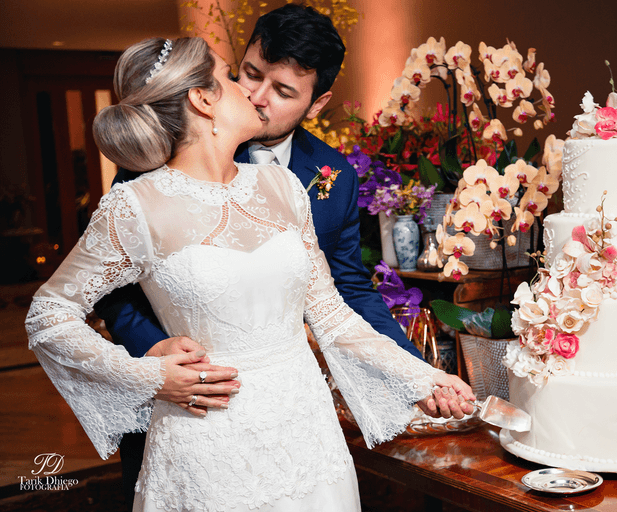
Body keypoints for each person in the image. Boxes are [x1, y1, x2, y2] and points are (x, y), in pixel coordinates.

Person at [26, 35, 475, 511]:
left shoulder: (283, 186)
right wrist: (147, 375)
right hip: (209, 445)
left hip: (309, 440)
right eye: (231, 76)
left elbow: (331, 315)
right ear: (203, 99)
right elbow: (49, 313)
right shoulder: (136, 206)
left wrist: (422, 379)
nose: (250, 88)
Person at [94, 5, 426, 504]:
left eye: (284, 91)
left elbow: (348, 287)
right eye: (250, 74)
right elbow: (112, 286)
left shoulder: (334, 176)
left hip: (288, 414)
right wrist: (155, 353)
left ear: (318, 103)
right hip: (192, 407)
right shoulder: (163, 151)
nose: (256, 96)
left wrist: (415, 374)